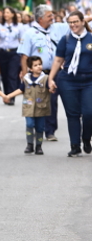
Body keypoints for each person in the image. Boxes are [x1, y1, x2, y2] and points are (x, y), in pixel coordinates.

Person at [18, 4, 68, 141]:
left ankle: (50, 131)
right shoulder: (29, 33)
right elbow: (24, 56)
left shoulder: (58, 27)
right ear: (40, 18)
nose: (52, 18)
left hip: (56, 72)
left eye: (52, 15)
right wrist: (25, 75)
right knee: (38, 102)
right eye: (49, 16)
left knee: (52, 101)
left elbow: (77, 22)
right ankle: (35, 126)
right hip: (38, 75)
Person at [48, 10, 92, 157]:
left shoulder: (90, 38)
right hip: (68, 80)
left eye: (76, 22)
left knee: (88, 112)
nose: (73, 25)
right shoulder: (65, 39)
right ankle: (75, 145)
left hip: (88, 80)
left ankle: (86, 138)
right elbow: (58, 60)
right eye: (70, 22)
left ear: (83, 22)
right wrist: (51, 78)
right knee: (72, 114)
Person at [5, 57, 51, 155]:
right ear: (30, 68)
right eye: (35, 65)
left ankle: (39, 146)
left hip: (41, 108)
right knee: (29, 124)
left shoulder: (46, 79)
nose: (39, 67)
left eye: (40, 64)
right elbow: (21, 90)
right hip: (28, 108)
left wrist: (53, 88)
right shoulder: (26, 80)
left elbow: (51, 89)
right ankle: (29, 144)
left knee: (40, 128)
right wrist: (9, 95)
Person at [0, 7, 23, 105]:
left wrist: (23, 54)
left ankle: (11, 97)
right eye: (4, 12)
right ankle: (6, 95)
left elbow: (21, 41)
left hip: (14, 53)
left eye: (7, 12)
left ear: (12, 14)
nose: (5, 14)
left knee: (12, 75)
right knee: (4, 75)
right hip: (2, 53)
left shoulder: (19, 26)